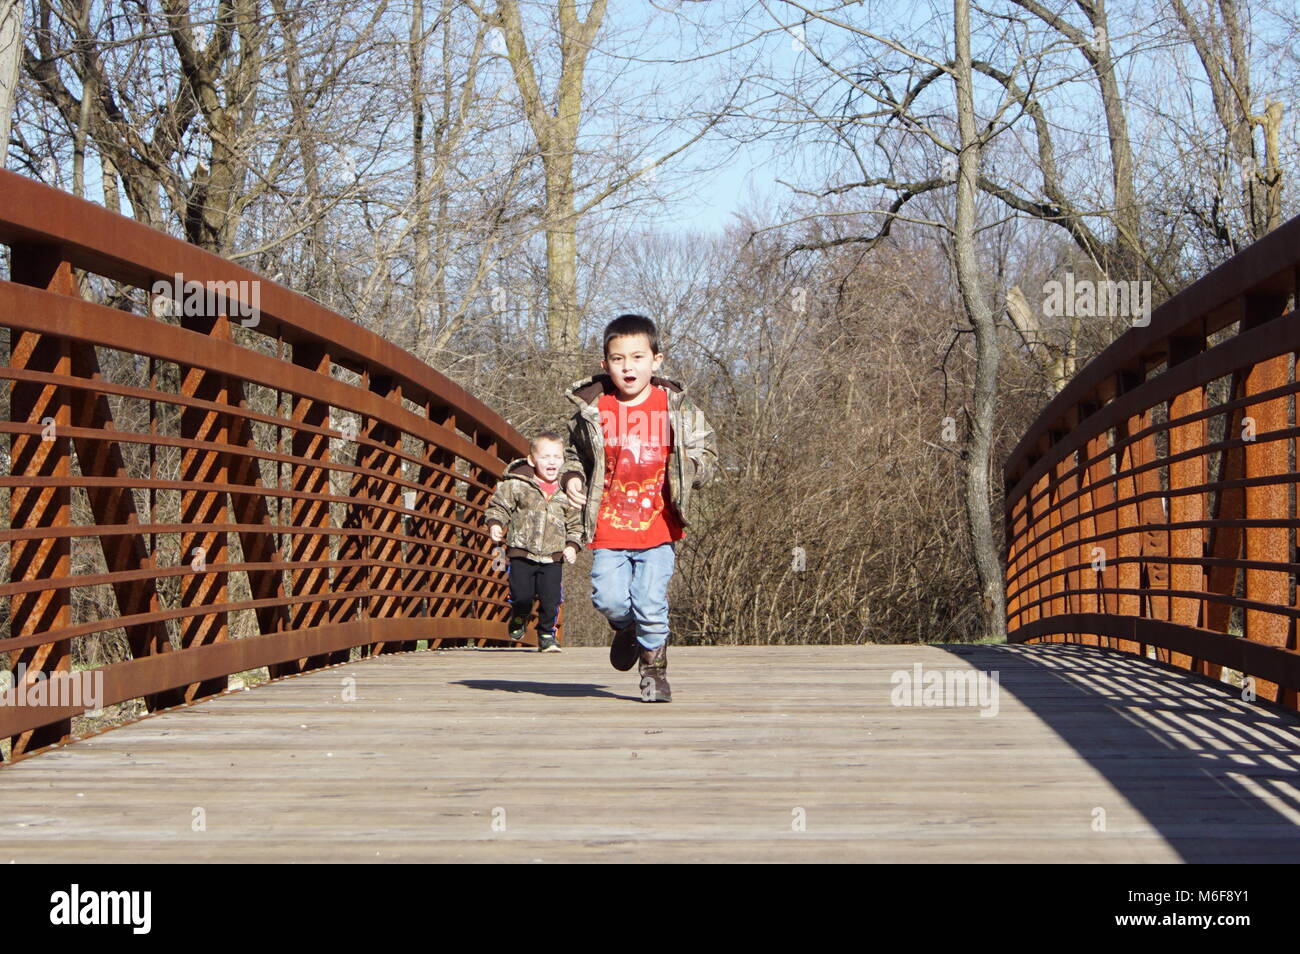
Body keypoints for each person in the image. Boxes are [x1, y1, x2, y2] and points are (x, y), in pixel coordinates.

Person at [559, 313, 718, 701]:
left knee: (650, 599)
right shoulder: (594, 410)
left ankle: (654, 673)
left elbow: (707, 449)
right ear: (605, 364)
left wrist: (689, 470)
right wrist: (572, 477)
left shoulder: (675, 407)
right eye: (618, 359)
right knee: (609, 598)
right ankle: (625, 627)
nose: (628, 367)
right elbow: (572, 455)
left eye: (637, 357)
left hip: (658, 524)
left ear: (656, 360)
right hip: (609, 523)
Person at [483, 431, 584, 653]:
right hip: (522, 552)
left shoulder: (567, 491)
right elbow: (499, 506)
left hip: (553, 555)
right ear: (532, 460)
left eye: (557, 457)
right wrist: (495, 524)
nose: (552, 462)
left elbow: (576, 525)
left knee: (551, 598)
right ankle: (519, 614)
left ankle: (547, 635)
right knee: (522, 595)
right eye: (546, 457)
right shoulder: (517, 484)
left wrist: (572, 545)